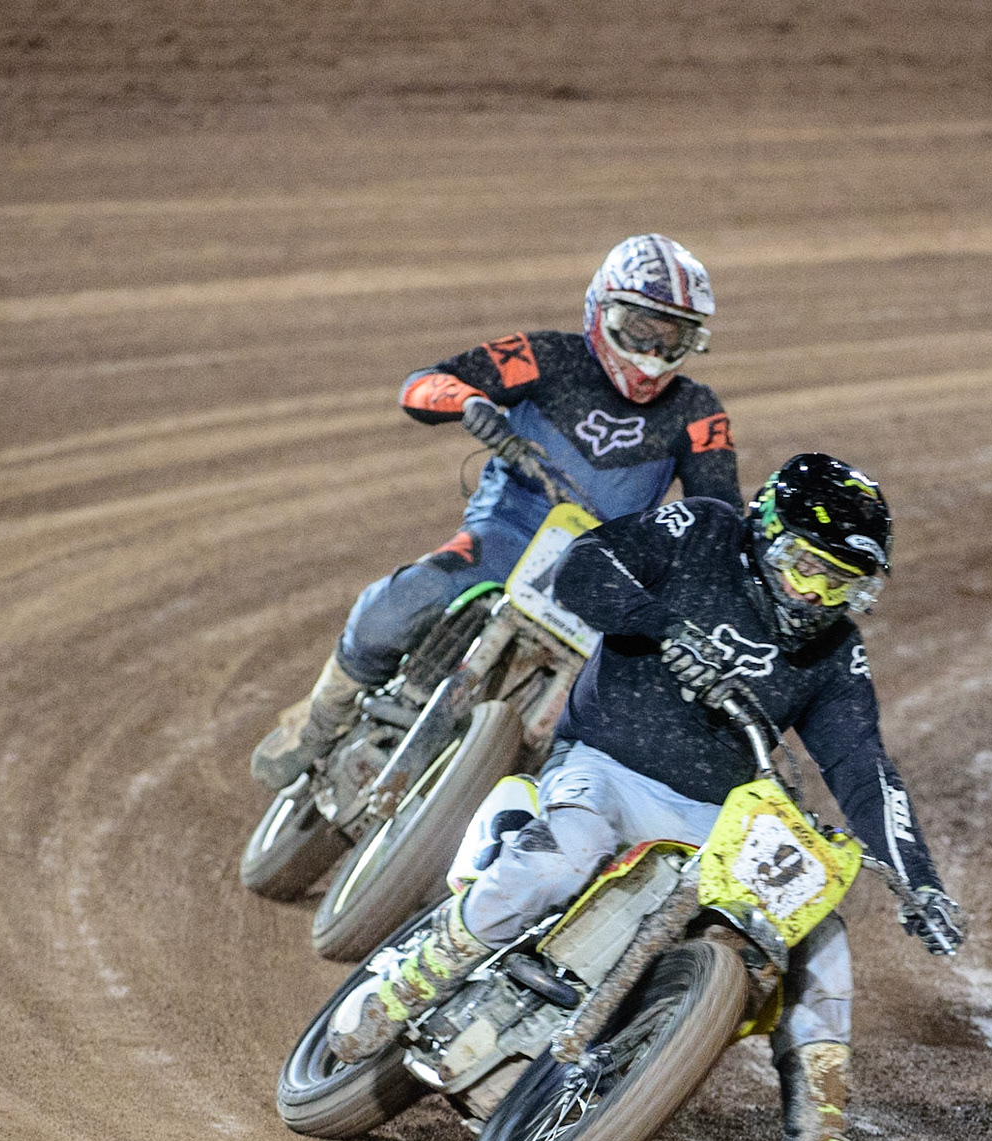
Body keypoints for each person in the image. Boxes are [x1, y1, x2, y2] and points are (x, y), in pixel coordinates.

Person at [329, 453, 966, 1141]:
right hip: (606, 762)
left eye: (838, 583)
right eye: (805, 566)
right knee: (564, 854)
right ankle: (411, 983)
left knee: (820, 936)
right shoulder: (703, 530)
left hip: (719, 817)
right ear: (766, 534)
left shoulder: (836, 651)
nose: (813, 595)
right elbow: (581, 569)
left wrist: (920, 881)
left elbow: (864, 765)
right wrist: (666, 627)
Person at [252, 233, 740, 789]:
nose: (651, 353)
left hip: (604, 576)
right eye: (639, 329)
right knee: (395, 607)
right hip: (507, 533)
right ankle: (320, 718)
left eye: (671, 337)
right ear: (601, 309)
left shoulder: (700, 412)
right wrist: (469, 402)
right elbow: (422, 384)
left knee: (608, 747)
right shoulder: (548, 356)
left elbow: (720, 515)